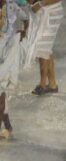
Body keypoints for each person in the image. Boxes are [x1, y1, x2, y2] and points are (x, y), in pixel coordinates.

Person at [0, 0, 29, 139]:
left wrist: (23, 32)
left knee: (1, 91)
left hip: (6, 54)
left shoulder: (11, 6)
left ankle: (6, 126)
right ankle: (8, 126)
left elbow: (25, 17)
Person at [26, 0, 63, 95]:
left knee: (42, 47)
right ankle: (52, 84)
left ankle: (42, 84)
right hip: (41, 12)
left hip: (52, 12)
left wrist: (40, 4)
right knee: (46, 47)